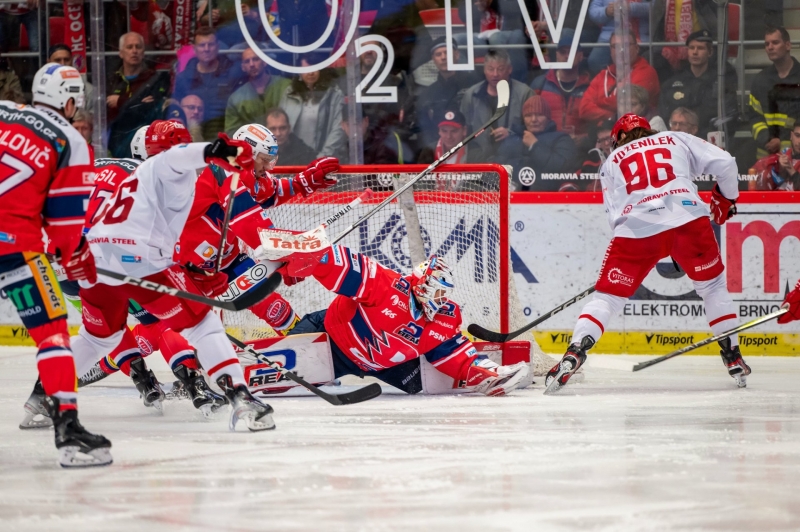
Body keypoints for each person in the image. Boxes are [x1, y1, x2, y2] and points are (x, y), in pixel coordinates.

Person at [75, 122, 277, 431]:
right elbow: (184, 161)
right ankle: (231, 394)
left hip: (89, 260)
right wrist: (219, 151)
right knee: (198, 322)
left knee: (96, 337)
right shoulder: (165, 168)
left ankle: (43, 397)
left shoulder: (121, 172)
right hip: (136, 261)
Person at [545, 114, 749, 394]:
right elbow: (726, 163)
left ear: (616, 139)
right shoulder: (675, 138)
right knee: (712, 288)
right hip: (689, 218)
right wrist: (727, 197)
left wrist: (627, 265)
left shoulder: (612, 162)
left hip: (636, 231)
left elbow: (613, 217)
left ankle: (575, 353)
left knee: (607, 298)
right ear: (649, 129)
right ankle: (733, 356)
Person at [0, 63, 112, 467]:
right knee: (53, 335)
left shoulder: (3, 110)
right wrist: (78, 259)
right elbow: (65, 231)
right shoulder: (71, 141)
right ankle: (67, 430)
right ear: (70, 101)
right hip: (16, 251)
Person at [262, 247, 529, 397]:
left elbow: (455, 353)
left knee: (419, 385)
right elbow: (342, 266)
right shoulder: (388, 286)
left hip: (384, 366)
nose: (442, 298)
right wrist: (307, 257)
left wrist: (487, 374)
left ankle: (491, 373)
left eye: (444, 292)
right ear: (423, 286)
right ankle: (259, 301)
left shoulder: (445, 318)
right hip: (332, 338)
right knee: (276, 383)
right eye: (438, 290)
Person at [659, 30, 738, 139]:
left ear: (710, 52)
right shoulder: (673, 83)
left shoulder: (722, 81)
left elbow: (729, 116)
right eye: (691, 48)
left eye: (700, 48)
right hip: (678, 142)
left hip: (709, 142)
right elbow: (664, 116)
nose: (695, 52)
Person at [460, 48, 533, 163]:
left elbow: (536, 128)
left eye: (500, 69)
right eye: (490, 69)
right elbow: (463, 131)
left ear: (509, 69)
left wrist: (511, 133)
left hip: (514, 159)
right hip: (479, 161)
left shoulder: (524, 93)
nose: (495, 74)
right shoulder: (472, 95)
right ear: (484, 70)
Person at [174, 27, 245, 141]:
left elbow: (240, 107)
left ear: (217, 47)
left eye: (210, 44)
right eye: (202, 45)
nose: (206, 49)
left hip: (225, 133)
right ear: (195, 49)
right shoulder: (184, 78)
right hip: (191, 137)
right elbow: (176, 111)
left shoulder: (232, 72)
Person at [106, 32, 171, 157]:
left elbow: (148, 111)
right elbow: (107, 113)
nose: (134, 51)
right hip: (115, 145)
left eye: (138, 47)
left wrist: (120, 102)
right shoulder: (112, 80)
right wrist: (138, 103)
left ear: (143, 52)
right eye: (129, 47)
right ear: (121, 53)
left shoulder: (154, 79)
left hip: (144, 146)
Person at [498, 95, 579, 190]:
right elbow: (497, 166)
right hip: (512, 197)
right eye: (528, 115)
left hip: (547, 199)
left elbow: (563, 168)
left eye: (539, 115)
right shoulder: (512, 139)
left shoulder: (561, 139)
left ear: (548, 118)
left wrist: (534, 146)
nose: (533, 120)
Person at [579, 31, 660, 124]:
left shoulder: (646, 72)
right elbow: (584, 109)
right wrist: (612, 116)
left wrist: (599, 102)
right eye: (615, 46)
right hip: (604, 133)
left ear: (637, 48)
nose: (621, 50)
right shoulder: (603, 74)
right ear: (610, 50)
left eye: (626, 45)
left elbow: (626, 103)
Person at [416, 36, 482, 149]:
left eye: (447, 52)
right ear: (433, 59)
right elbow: (425, 130)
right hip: (438, 152)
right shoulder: (428, 94)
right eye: (438, 54)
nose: (443, 57)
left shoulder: (475, 85)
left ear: (456, 54)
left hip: (473, 150)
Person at [278, 57, 346, 158]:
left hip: (321, 156)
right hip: (293, 157)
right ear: (299, 73)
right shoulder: (289, 93)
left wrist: (322, 157)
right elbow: (280, 122)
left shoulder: (334, 93)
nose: (310, 73)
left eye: (314, 68)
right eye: (305, 69)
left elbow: (339, 128)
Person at [530, 28, 591, 139]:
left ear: (580, 56)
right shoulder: (540, 83)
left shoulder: (590, 86)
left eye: (571, 52)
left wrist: (583, 138)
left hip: (580, 149)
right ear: (557, 55)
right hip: (546, 145)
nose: (567, 56)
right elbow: (528, 118)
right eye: (563, 52)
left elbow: (596, 124)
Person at [749, 27, 800, 159]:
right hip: (766, 159)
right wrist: (768, 139)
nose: (770, 47)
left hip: (796, 158)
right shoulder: (760, 80)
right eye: (767, 44)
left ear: (788, 45)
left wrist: (781, 140)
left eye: (775, 43)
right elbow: (755, 118)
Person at [224, 47, 290, 136]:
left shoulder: (286, 86)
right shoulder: (236, 99)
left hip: (285, 144)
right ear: (243, 67)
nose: (251, 64)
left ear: (264, 61)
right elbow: (232, 133)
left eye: (255, 59)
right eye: (247, 61)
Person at [587, 0, 651, 75]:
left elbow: (656, 8)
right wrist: (606, 11)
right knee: (595, 61)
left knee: (646, 65)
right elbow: (593, 12)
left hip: (641, 37)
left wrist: (631, 8)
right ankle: (606, 84)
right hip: (608, 38)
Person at [749, 121, 800, 191]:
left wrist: (791, 170)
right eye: (797, 136)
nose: (799, 141)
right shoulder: (775, 159)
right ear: (791, 136)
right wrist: (777, 170)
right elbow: (754, 190)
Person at [47, 44, 95, 112]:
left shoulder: (88, 90)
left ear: (72, 61)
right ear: (48, 62)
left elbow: (93, 119)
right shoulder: (41, 88)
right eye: (57, 60)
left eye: (66, 60)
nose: (62, 64)